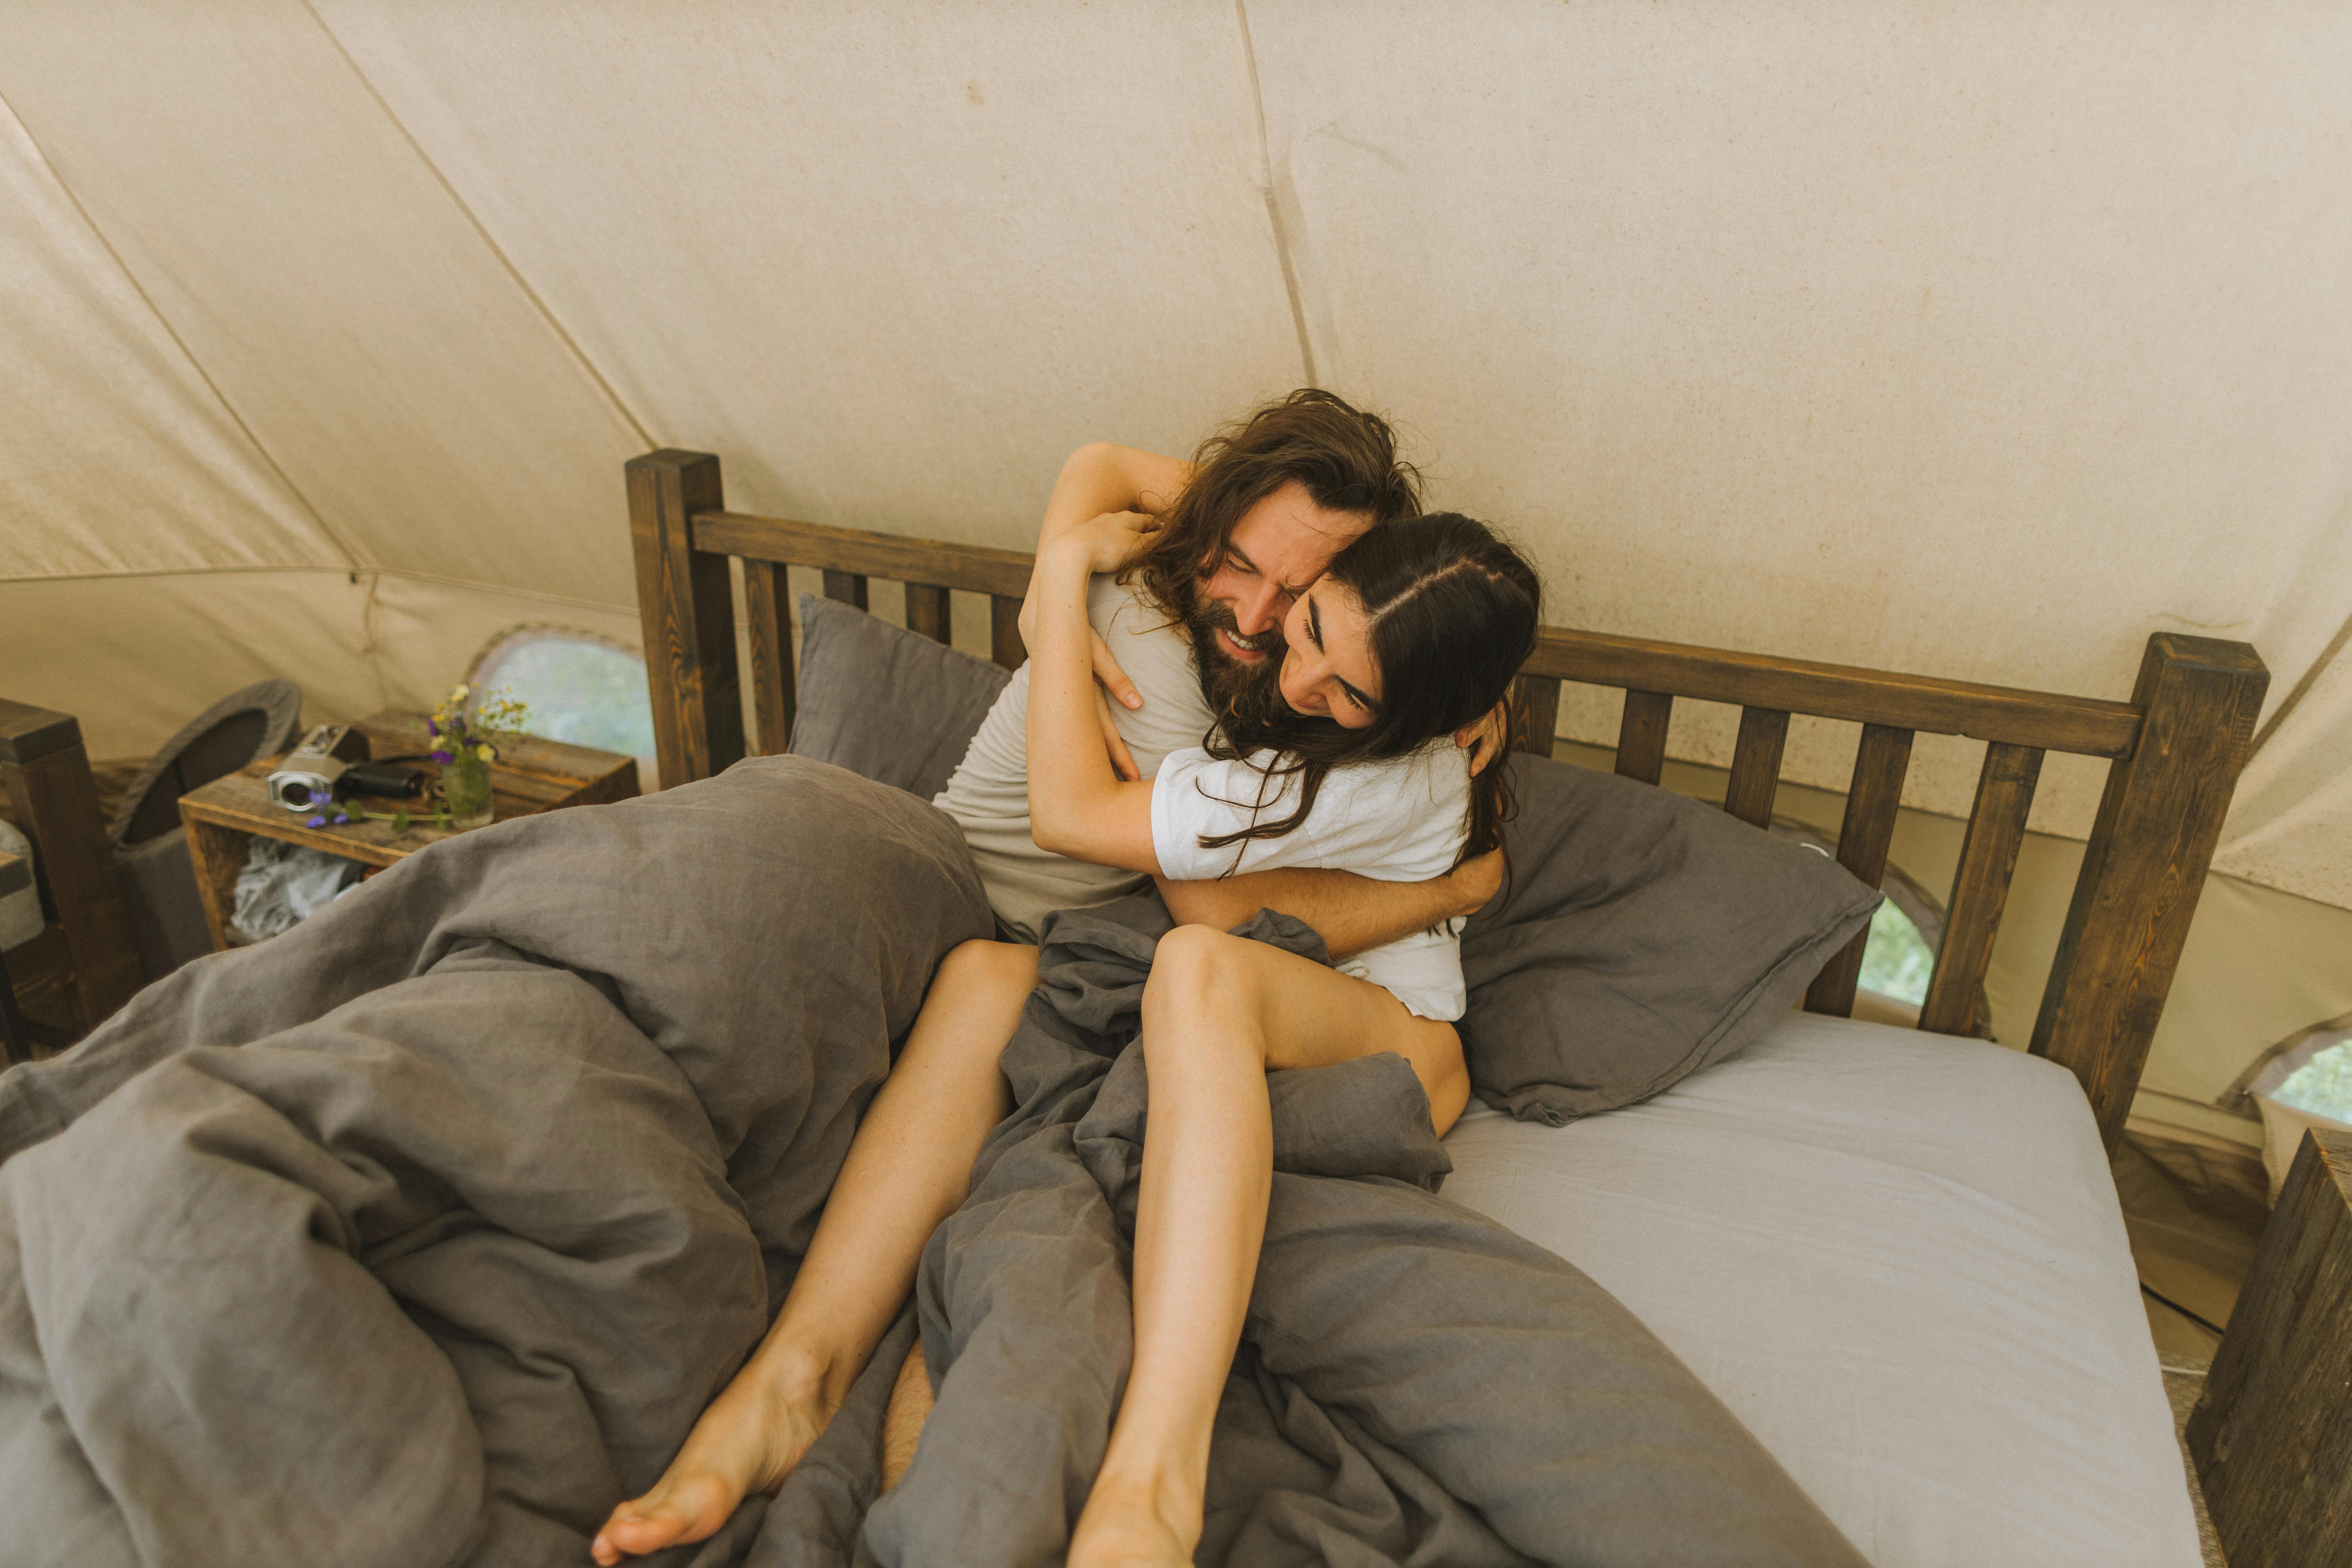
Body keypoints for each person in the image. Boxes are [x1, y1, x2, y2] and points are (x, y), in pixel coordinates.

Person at [591, 395, 1521, 1564]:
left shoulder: (1352, 746)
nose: (1277, 644)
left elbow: (1197, 901)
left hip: (1399, 1039)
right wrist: (1061, 572)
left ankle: (1156, 1481)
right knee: (987, 976)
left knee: (1194, 971)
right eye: (1253, 578)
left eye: (1318, 628)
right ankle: (793, 1377)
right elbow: (1097, 463)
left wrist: (1455, 885)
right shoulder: (1299, 621)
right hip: (1253, 968)